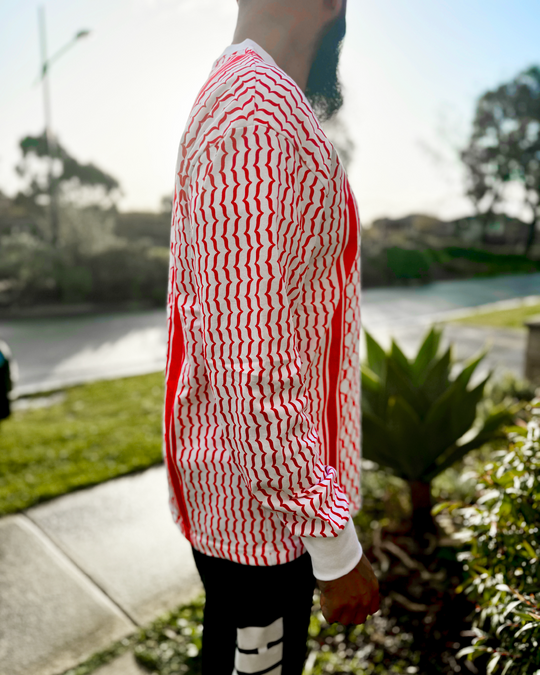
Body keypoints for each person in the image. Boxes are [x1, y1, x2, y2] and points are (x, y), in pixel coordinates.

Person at [163, 0, 379, 672]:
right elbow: (249, 363)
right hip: (264, 525)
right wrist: (335, 545)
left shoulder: (260, 103)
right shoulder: (254, 110)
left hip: (265, 514)